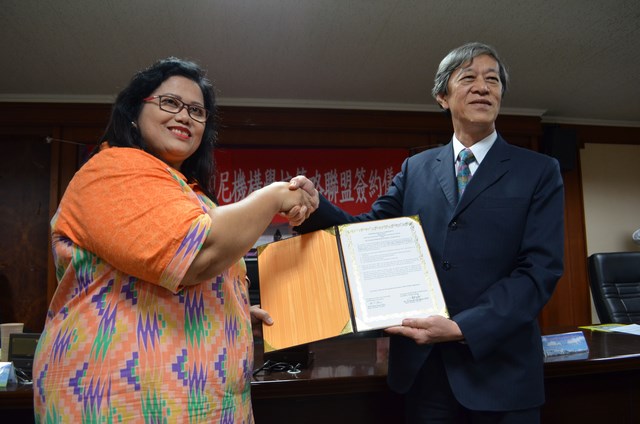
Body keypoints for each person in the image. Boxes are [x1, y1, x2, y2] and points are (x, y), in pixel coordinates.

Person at [32, 57, 318, 423]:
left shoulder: (188, 191)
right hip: (119, 401)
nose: (184, 116)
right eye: (170, 103)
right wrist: (275, 196)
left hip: (205, 403)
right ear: (134, 111)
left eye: (197, 111)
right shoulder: (111, 169)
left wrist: (228, 312)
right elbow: (197, 255)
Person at [295, 42, 564, 423]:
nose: (482, 87)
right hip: (423, 374)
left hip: (501, 373)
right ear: (442, 96)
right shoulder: (416, 168)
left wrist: (462, 327)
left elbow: (539, 270)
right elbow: (367, 233)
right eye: (468, 78)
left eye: (492, 80)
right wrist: (315, 206)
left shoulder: (539, 170)